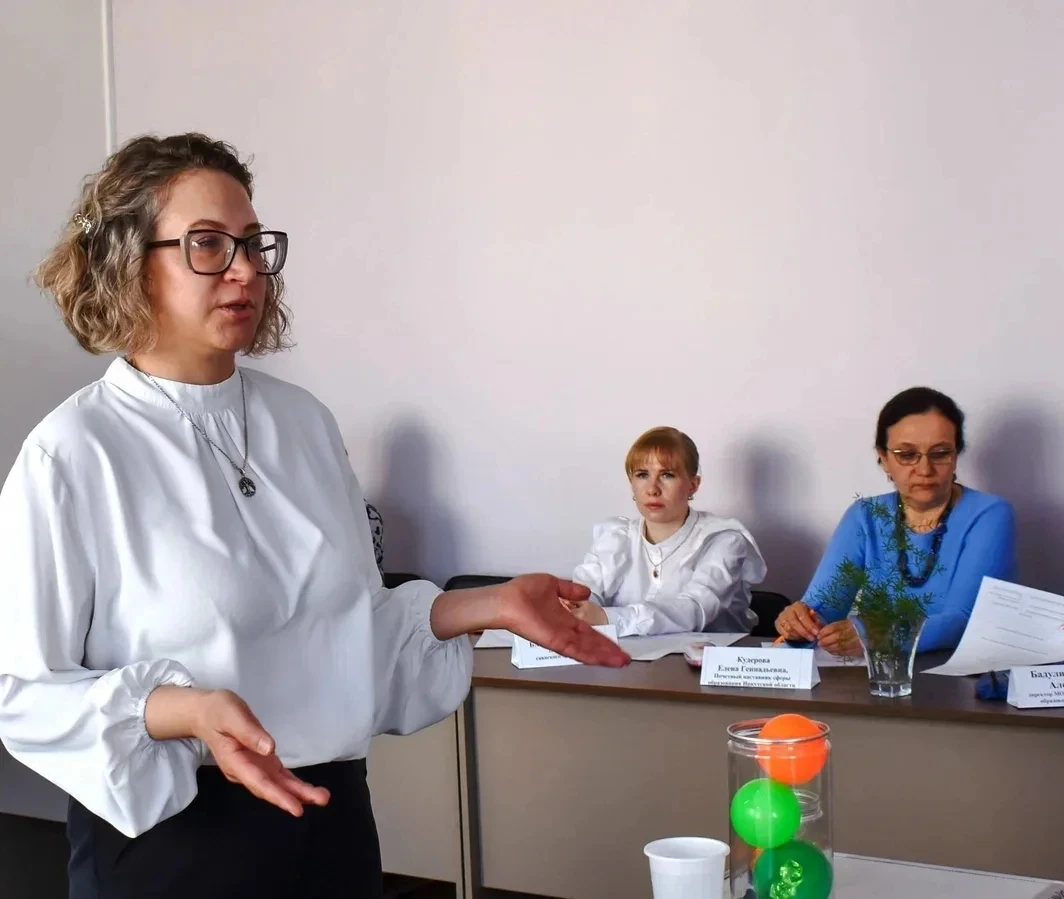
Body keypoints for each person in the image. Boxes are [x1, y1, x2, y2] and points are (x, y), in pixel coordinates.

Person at [0, 133, 627, 899]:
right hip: (173, 838)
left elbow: (351, 626)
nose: (245, 269)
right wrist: (186, 708)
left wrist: (488, 605)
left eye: (252, 244)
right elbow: (25, 692)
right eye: (208, 244)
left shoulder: (303, 423)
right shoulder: (72, 453)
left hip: (332, 827)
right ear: (129, 263)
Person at [775, 387, 1017, 655]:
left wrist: (877, 635)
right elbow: (823, 609)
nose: (924, 469)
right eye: (907, 454)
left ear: (956, 455)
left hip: (957, 677)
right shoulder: (865, 515)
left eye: (940, 453)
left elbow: (963, 622)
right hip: (876, 676)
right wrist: (800, 623)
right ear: (884, 458)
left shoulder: (989, 514)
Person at [566, 426, 766, 636]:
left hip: (709, 656)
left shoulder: (723, 540)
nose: (652, 489)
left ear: (693, 485)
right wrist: (575, 608)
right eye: (642, 475)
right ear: (631, 483)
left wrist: (606, 618)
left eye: (667, 475)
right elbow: (584, 595)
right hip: (622, 656)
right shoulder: (614, 536)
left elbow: (696, 609)